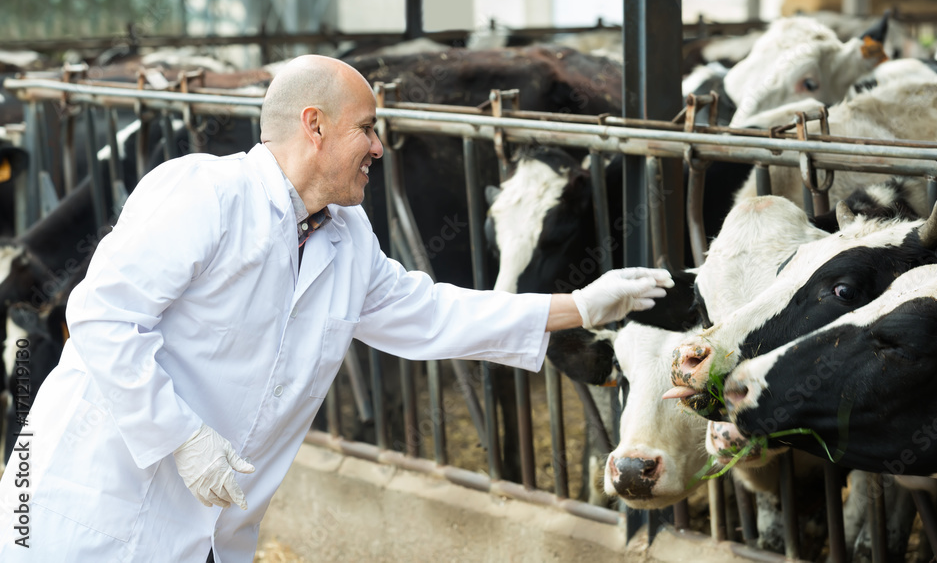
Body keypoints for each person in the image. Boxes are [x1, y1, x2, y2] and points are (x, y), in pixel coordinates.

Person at [0, 55, 673, 562]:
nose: (380, 147)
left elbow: (432, 315)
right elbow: (102, 318)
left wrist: (579, 306)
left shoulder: (347, 240)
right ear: (314, 127)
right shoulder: (203, 193)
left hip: (206, 533)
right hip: (84, 511)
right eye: (368, 129)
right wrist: (180, 437)